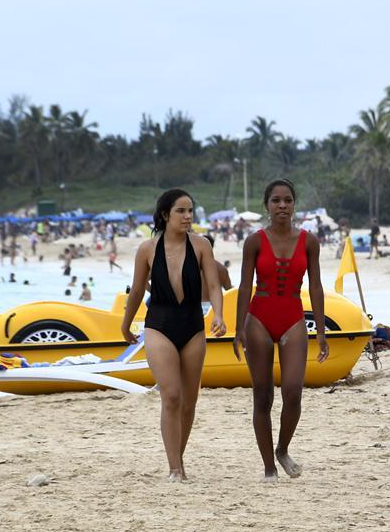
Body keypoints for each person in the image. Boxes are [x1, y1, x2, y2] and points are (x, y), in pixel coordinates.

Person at [121, 188, 226, 483]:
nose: (188, 216)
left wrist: (218, 314)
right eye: (181, 211)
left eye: (190, 210)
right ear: (166, 215)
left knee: (190, 401)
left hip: (193, 325)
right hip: (159, 326)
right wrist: (125, 324)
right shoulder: (147, 249)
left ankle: (177, 458)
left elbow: (215, 286)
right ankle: (175, 469)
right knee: (171, 395)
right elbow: (138, 290)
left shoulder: (202, 245)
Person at [233, 179, 328, 482]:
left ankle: (282, 450)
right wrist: (238, 329)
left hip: (292, 317)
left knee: (293, 392)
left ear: (294, 204)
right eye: (276, 201)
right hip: (258, 318)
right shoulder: (255, 241)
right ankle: (268, 468)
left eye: (287, 200)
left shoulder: (309, 241)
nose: (282, 206)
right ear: (267, 206)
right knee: (262, 396)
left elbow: (315, 286)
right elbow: (245, 285)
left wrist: (322, 332)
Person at [201, 235, 233, 305]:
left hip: (195, 308)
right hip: (215, 307)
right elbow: (229, 290)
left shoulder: (191, 266)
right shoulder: (222, 269)